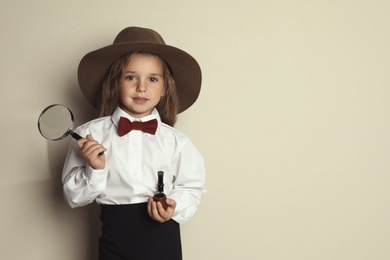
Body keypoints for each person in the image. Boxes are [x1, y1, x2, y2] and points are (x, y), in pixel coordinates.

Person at [62, 26, 206, 260]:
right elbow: (73, 197)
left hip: (164, 241)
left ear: (164, 88)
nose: (141, 87)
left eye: (152, 79)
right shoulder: (89, 134)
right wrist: (96, 170)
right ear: (114, 83)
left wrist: (174, 205)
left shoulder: (176, 141)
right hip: (114, 241)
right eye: (131, 77)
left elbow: (192, 187)